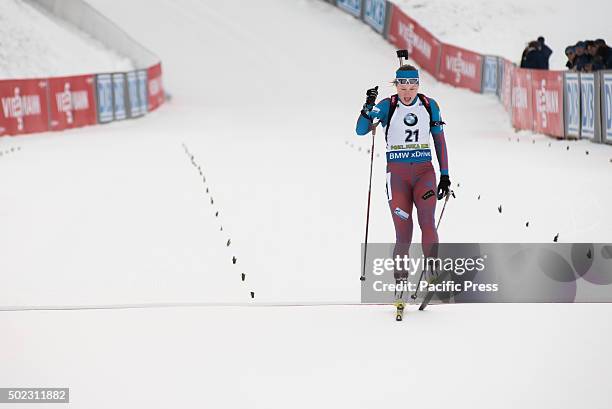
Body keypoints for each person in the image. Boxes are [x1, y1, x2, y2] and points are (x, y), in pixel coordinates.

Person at [355, 64, 451, 283]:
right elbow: (361, 130)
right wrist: (368, 107)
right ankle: (400, 281)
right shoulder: (387, 105)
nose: (407, 93)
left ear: (417, 85)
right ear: (397, 85)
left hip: (424, 173)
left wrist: (445, 174)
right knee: (403, 233)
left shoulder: (429, 105)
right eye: (403, 87)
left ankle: (432, 272)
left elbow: (439, 140)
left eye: (411, 87)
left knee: (427, 221)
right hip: (397, 177)